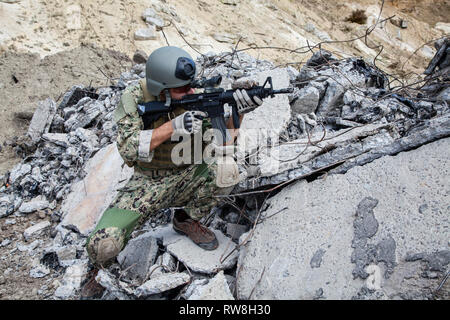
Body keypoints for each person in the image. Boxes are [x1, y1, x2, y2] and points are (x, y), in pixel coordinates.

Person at [80, 46, 263, 298]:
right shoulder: (135, 98)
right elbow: (128, 148)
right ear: (161, 88)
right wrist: (172, 126)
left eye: (191, 85)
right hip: (147, 183)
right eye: (183, 89)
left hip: (188, 173)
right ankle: (99, 273)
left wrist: (239, 111)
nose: (191, 91)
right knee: (103, 245)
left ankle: (185, 219)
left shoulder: (196, 92)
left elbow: (224, 144)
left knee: (228, 170)